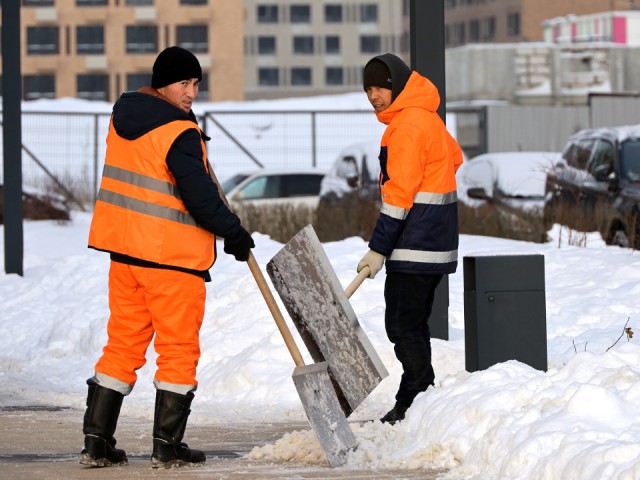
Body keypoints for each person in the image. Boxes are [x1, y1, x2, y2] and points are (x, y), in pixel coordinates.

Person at [81, 46, 255, 468]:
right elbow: (198, 194)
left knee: (122, 344)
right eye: (184, 83)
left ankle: (96, 441)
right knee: (178, 349)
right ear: (163, 83)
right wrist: (233, 233)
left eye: (196, 84)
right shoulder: (177, 130)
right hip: (170, 261)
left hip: (125, 256)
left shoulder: (124, 121)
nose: (191, 92)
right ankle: (166, 446)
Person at [357, 53, 463, 424]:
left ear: (398, 85)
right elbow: (454, 158)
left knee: (401, 324)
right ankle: (418, 398)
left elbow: (398, 196)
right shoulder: (426, 117)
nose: (374, 96)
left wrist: (377, 249)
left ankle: (414, 396)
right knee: (413, 322)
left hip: (414, 242)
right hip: (435, 240)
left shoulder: (406, 127)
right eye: (368, 89)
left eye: (381, 87)